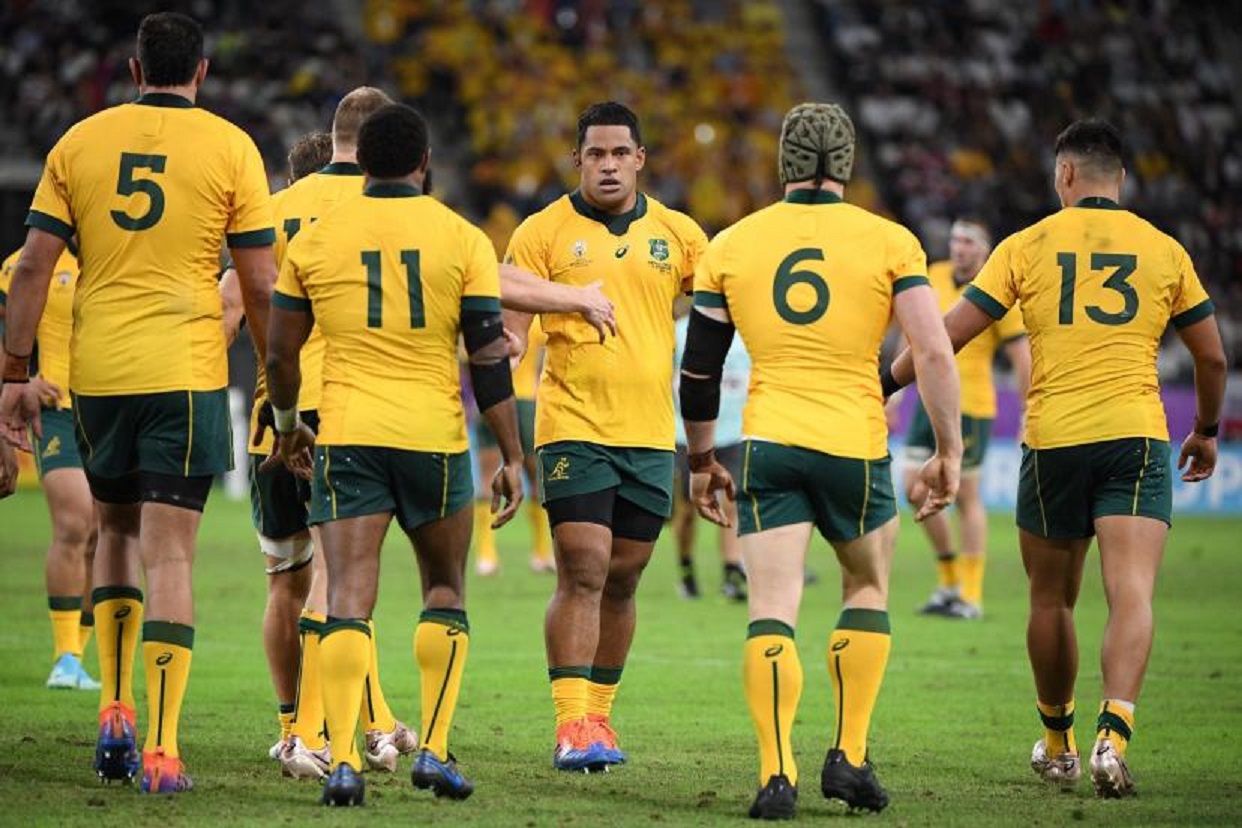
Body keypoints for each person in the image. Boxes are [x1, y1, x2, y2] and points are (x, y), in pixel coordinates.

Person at [886, 119, 1226, 798]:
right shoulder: (1164, 249)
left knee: (1050, 600)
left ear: (1065, 175)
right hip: (1134, 436)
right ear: (1120, 179)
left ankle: (1058, 742)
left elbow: (944, 335)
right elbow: (1212, 355)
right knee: (1131, 594)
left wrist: (882, 385)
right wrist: (1207, 429)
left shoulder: (1026, 245)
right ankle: (1113, 736)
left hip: (1053, 440)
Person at [0, 12, 277, 793]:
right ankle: (161, 750)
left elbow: (31, 270)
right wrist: (273, 386)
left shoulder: (78, 143)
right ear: (203, 72)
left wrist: (12, 373)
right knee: (171, 553)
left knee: (113, 536)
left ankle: (114, 710)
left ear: (132, 70)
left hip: (98, 375)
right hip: (184, 372)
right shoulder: (231, 146)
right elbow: (258, 284)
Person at [682, 102, 962, 818]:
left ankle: (777, 776)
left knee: (771, 609)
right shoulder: (890, 241)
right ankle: (852, 758)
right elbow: (931, 350)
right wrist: (949, 448)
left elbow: (701, 370)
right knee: (865, 590)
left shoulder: (732, 244)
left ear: (783, 161)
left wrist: (703, 458)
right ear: (847, 162)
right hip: (854, 446)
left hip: (770, 444)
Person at [266, 102, 523, 806]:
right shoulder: (461, 237)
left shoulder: (317, 240)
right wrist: (512, 453)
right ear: (423, 163)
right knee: (444, 590)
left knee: (350, 595)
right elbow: (489, 357)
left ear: (359, 162)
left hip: (348, 435)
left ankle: (345, 759)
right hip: (434, 439)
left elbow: (281, 353)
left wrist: (288, 424)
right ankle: (434, 752)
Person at [503, 101, 708, 771]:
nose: (610, 164)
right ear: (578, 160)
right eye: (597, 154)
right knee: (584, 568)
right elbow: (506, 299)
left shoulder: (678, 234)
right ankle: (569, 727)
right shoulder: (544, 232)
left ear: (641, 158)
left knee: (624, 579)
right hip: (572, 427)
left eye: (621, 153)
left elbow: (721, 300)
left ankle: (598, 719)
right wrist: (506, 345)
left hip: (651, 432)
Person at [223, 88, 419, 780]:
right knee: (345, 584)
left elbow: (228, 309)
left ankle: (307, 726)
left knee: (287, 578)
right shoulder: (382, 210)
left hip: (271, 425)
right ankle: (327, 732)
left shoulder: (273, 213)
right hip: (346, 415)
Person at [901, 218, 1031, 619]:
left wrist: (1029, 410)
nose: (959, 248)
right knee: (913, 489)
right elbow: (912, 337)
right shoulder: (933, 275)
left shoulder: (997, 288)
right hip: (925, 401)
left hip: (970, 405)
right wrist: (896, 392)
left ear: (985, 249)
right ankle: (949, 580)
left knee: (966, 498)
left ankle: (970, 595)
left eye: (969, 241)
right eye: (955, 239)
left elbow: (1022, 358)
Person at [0, 243, 100, 690]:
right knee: (75, 520)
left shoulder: (112, 252)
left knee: (102, 531)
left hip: (108, 407)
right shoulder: (23, 265)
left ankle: (79, 653)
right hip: (55, 408)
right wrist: (19, 380)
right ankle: (64, 656)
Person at [671, 306, 748, 601]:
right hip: (687, 435)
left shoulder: (747, 329)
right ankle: (686, 568)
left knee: (731, 503)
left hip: (734, 432)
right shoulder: (682, 330)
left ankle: (731, 572)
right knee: (688, 510)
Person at [472, 319, 555, 576]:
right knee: (533, 475)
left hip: (490, 397)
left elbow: (470, 357)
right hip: (526, 399)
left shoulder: (486, 312)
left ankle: (487, 557)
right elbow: (544, 362)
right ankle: (541, 553)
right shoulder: (534, 316)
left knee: (489, 476)